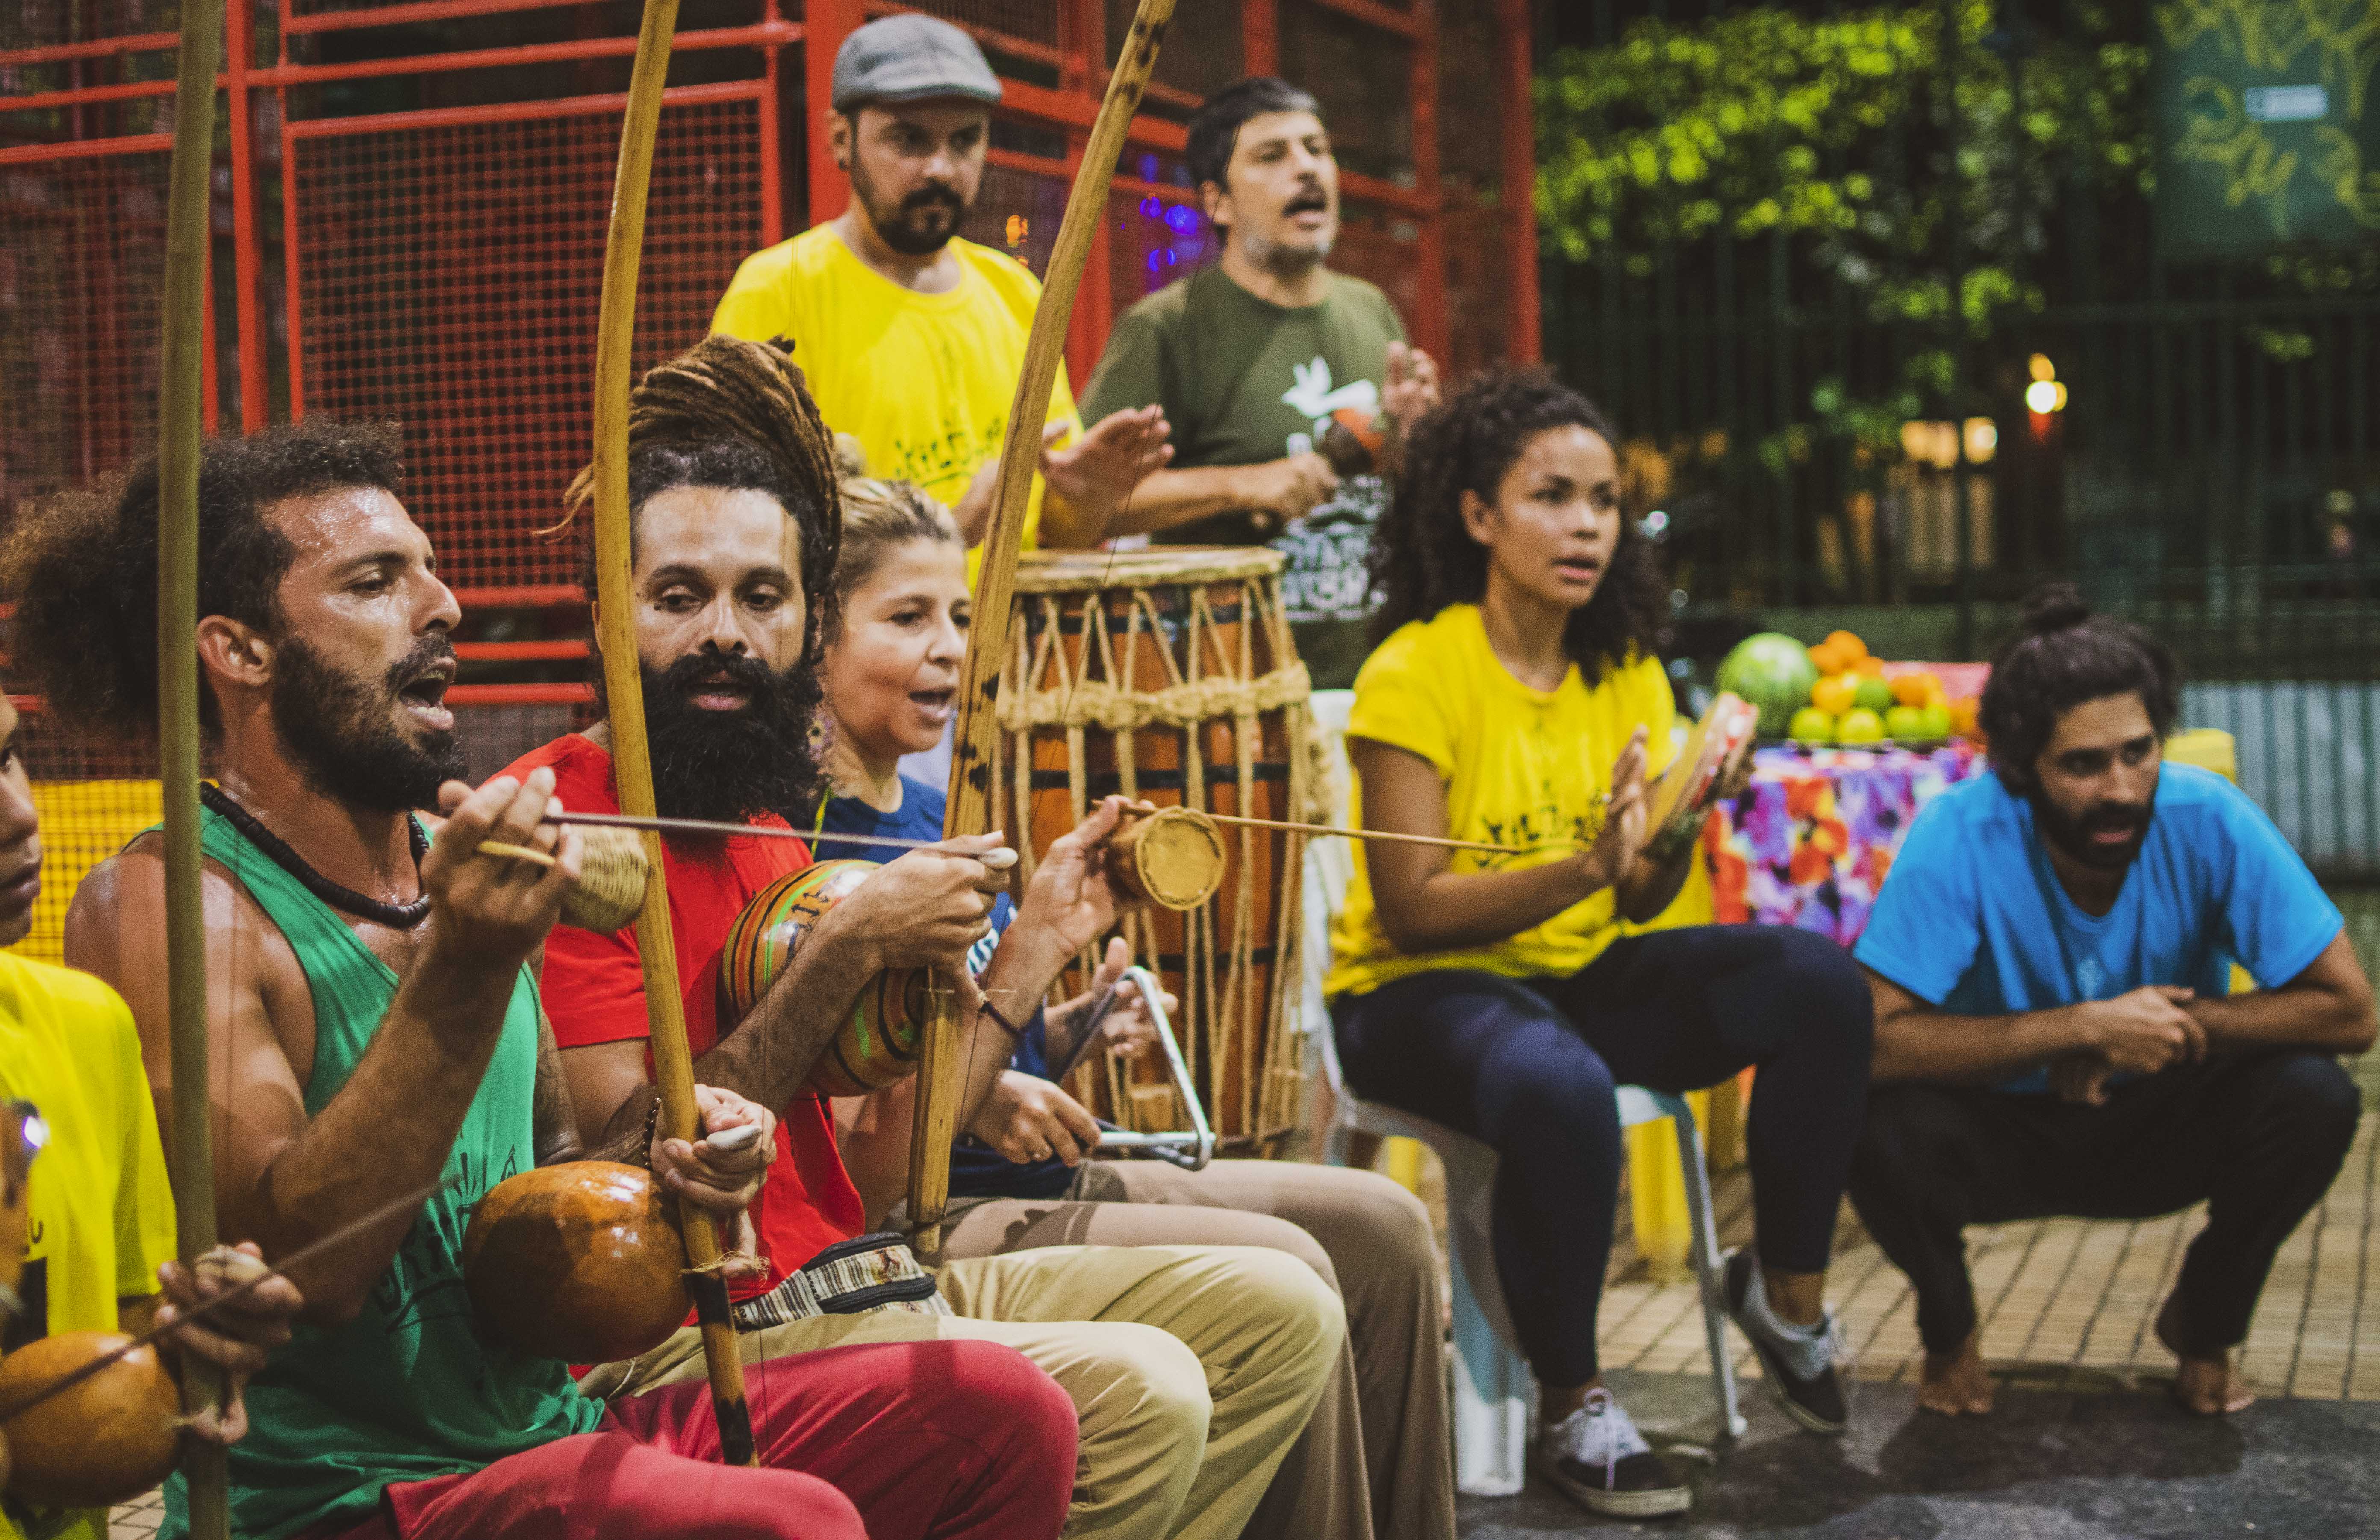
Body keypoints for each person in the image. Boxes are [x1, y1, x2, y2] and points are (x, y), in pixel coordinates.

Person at [10, 421, 1078, 1540]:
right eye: (376, 581)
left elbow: (551, 1197)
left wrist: (670, 1170)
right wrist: (468, 962)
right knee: (784, 1523)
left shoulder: (458, 858)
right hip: (346, 1499)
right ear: (241, 651)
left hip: (544, 1430)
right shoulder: (173, 900)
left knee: (1002, 1414)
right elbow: (303, 1269)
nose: (443, 604)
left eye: (430, 568)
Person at [501, 335, 1343, 1540]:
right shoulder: (566, 825)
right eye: (680, 597)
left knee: (1281, 1312)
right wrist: (851, 950)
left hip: (853, 1272)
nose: (726, 632)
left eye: (762, 597)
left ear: (805, 620)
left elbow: (881, 1175)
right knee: (1148, 1391)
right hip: (697, 1332)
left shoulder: (763, 826)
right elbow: (628, 1191)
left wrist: (1010, 957)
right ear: (604, 611)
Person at [815, 469, 1457, 1540]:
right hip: (928, 1211)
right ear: (816, 638)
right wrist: (989, 1085)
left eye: (962, 617)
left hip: (1017, 1174)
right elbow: (862, 1119)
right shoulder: (808, 842)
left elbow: (993, 1026)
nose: (950, 647)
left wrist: (1070, 1025)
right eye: (908, 617)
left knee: (1387, 1225)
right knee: (1296, 1268)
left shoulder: (939, 809)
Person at [1324, 370, 1876, 1518]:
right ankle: (1573, 1400)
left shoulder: (1622, 667)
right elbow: (1414, 905)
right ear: (1479, 513)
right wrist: (1584, 865)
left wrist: (1678, 821)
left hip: (1572, 972)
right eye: (1553, 496)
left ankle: (1785, 1298)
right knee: (1560, 1079)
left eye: (1606, 501)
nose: (1586, 525)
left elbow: (1634, 898)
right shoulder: (1415, 669)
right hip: (1413, 995)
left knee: (1820, 983)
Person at [1847, 585, 2375, 1419]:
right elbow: (1871, 1041)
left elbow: (2351, 1011)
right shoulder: (1962, 832)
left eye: (2139, 751)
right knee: (1863, 1116)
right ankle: (1948, 1332)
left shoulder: (2208, 817)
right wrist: (2079, 1028)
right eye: (2084, 764)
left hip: (2155, 1118)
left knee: (2315, 1096)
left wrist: (2168, 1027)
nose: (2122, 787)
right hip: (2000, 1130)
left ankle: (2206, 1325)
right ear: (2023, 769)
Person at [0, 689, 307, 1540]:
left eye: (8, 757)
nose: (19, 814)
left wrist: (197, 1357)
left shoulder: (87, 1028)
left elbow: (128, 1344)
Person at [711, 13, 1169, 566]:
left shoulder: (1015, 292)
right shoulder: (777, 290)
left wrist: (1087, 497)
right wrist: (949, 531)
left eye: (965, 140)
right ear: (841, 139)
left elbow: (1056, 532)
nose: (941, 169)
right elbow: (741, 529)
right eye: (909, 140)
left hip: (1012, 624)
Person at [1077, 77, 1441, 688]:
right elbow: (1084, 507)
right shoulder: (1166, 327)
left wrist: (1413, 438)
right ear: (1218, 202)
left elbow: (1402, 488)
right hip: (1233, 689)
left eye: (1317, 149)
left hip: (1378, 678)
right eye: (1273, 156)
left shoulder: (1370, 308)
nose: (1307, 169)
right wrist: (1242, 484)